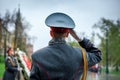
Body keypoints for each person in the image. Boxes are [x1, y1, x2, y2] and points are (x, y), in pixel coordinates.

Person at [30, 12, 102, 80]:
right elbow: (97, 55)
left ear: (51, 33)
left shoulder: (37, 56)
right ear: (67, 34)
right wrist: (80, 39)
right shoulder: (80, 55)